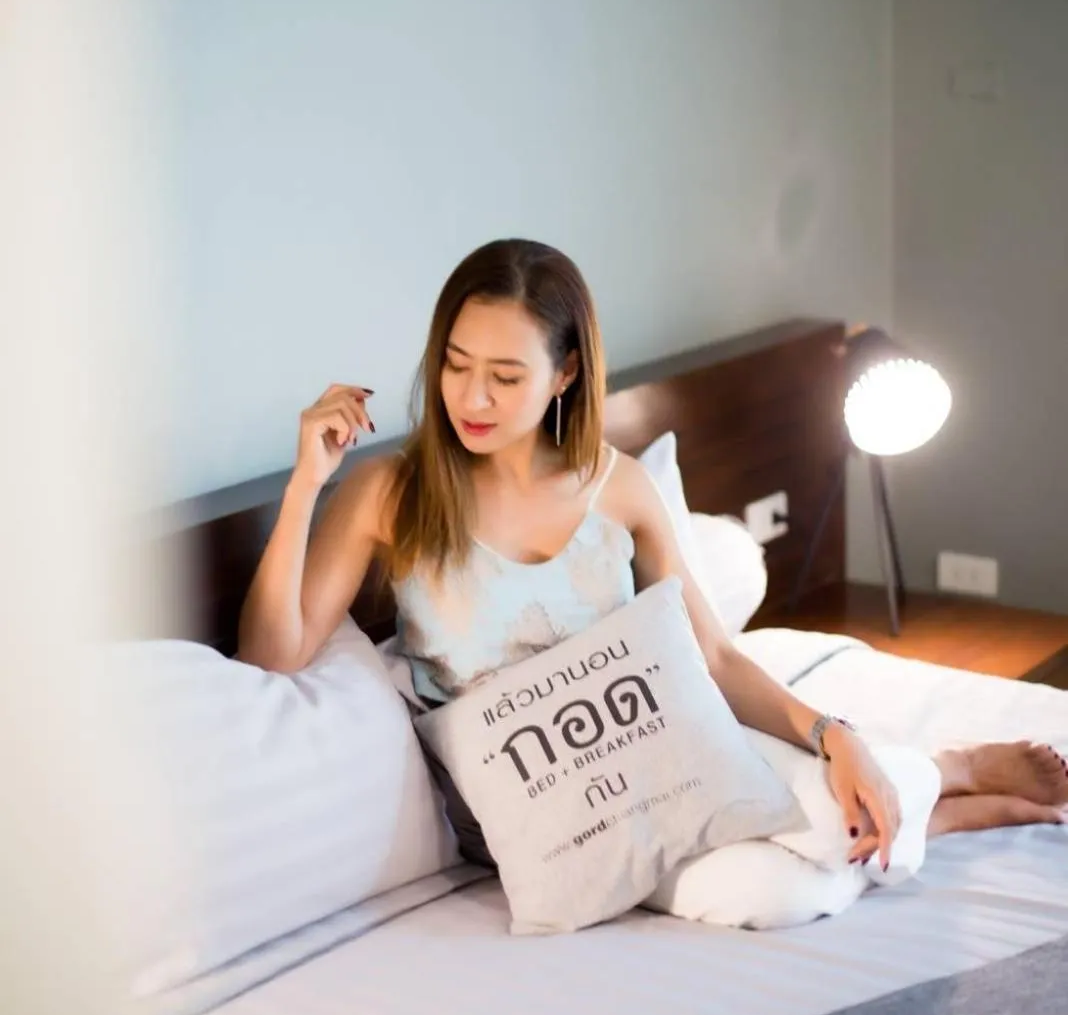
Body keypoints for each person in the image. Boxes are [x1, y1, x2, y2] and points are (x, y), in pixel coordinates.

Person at [239, 239, 1068, 880]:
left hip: (655, 756)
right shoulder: (392, 490)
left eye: (504, 374)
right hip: (530, 808)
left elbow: (709, 656)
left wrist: (830, 732)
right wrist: (308, 484)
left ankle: (939, 779)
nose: (473, 397)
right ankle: (949, 791)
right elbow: (272, 654)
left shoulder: (617, 489)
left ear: (564, 372)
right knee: (791, 856)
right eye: (455, 366)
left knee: (823, 801)